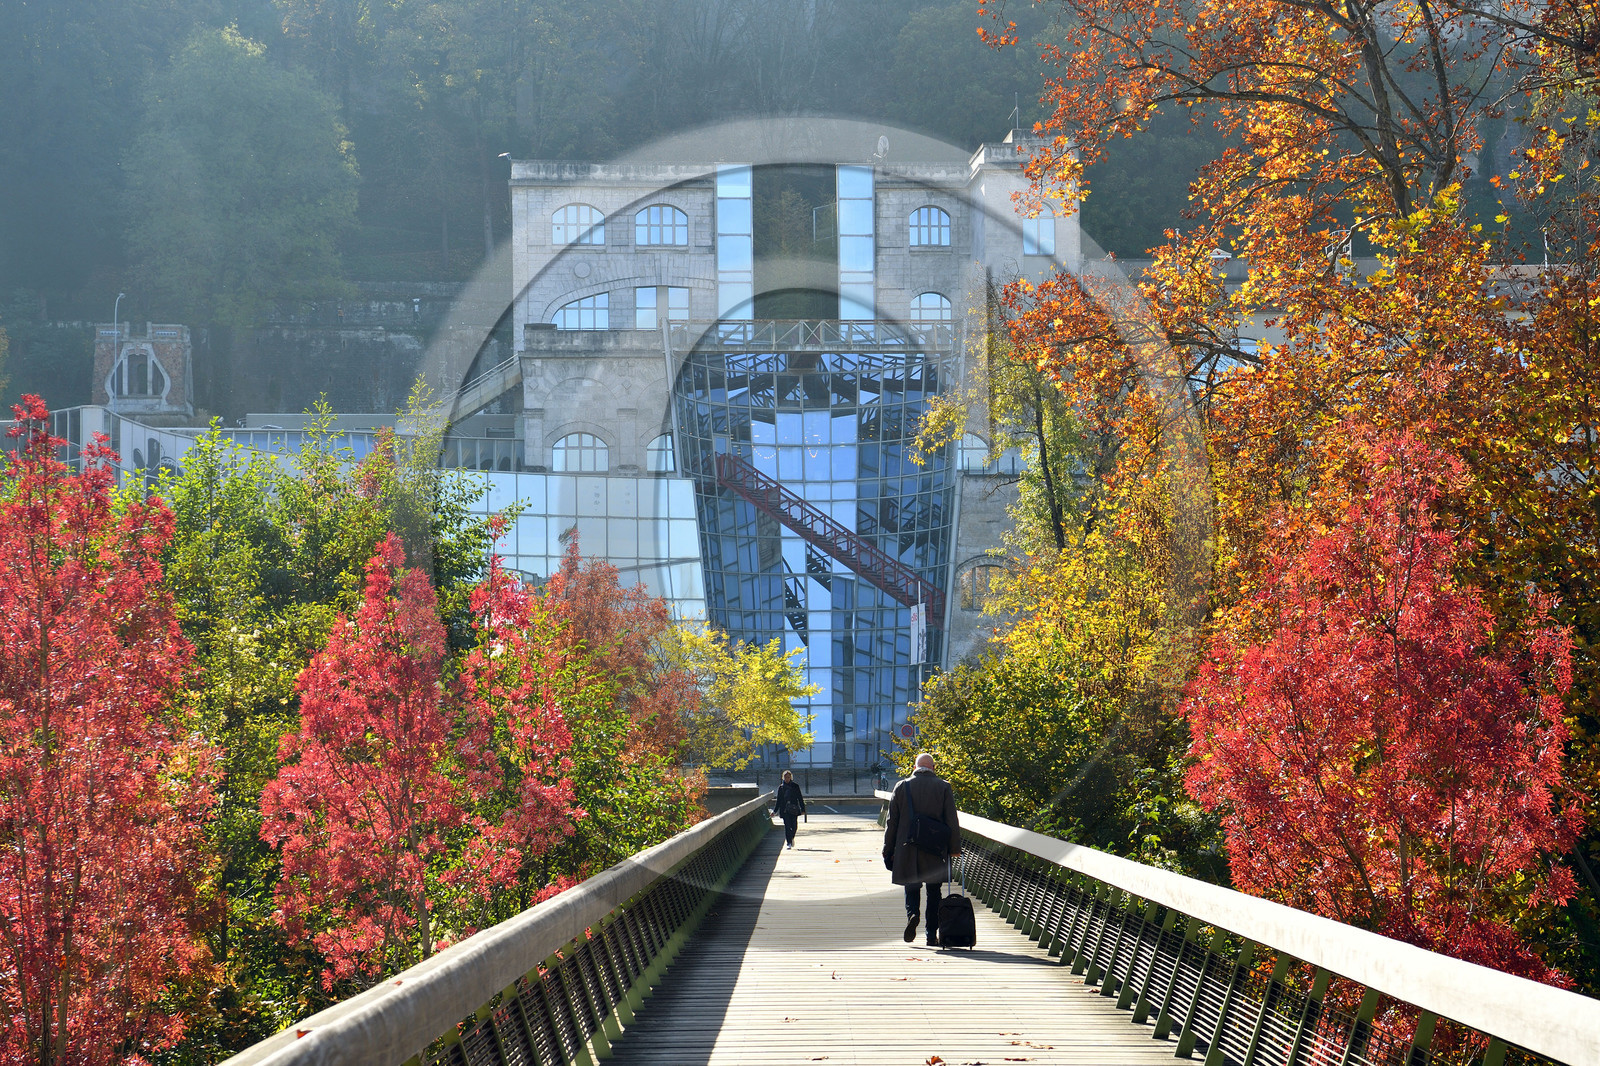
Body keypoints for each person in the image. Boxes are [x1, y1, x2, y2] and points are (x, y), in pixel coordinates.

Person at [882, 752, 961, 945]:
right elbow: (952, 819)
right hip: (935, 848)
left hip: (907, 847)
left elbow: (892, 822)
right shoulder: (943, 787)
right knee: (934, 892)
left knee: (912, 886)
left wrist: (888, 849)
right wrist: (954, 848)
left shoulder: (902, 786)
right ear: (933, 768)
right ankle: (930, 934)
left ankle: (913, 914)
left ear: (915, 767)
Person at [774, 770, 806, 849]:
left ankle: (791, 838)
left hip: (794, 809)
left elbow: (800, 798)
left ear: (791, 777)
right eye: (785, 777)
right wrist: (774, 811)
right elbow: (778, 800)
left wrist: (803, 809)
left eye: (788, 777)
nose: (787, 779)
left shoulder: (795, 786)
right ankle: (789, 842)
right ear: (783, 778)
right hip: (785, 809)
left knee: (794, 826)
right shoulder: (781, 788)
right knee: (787, 826)